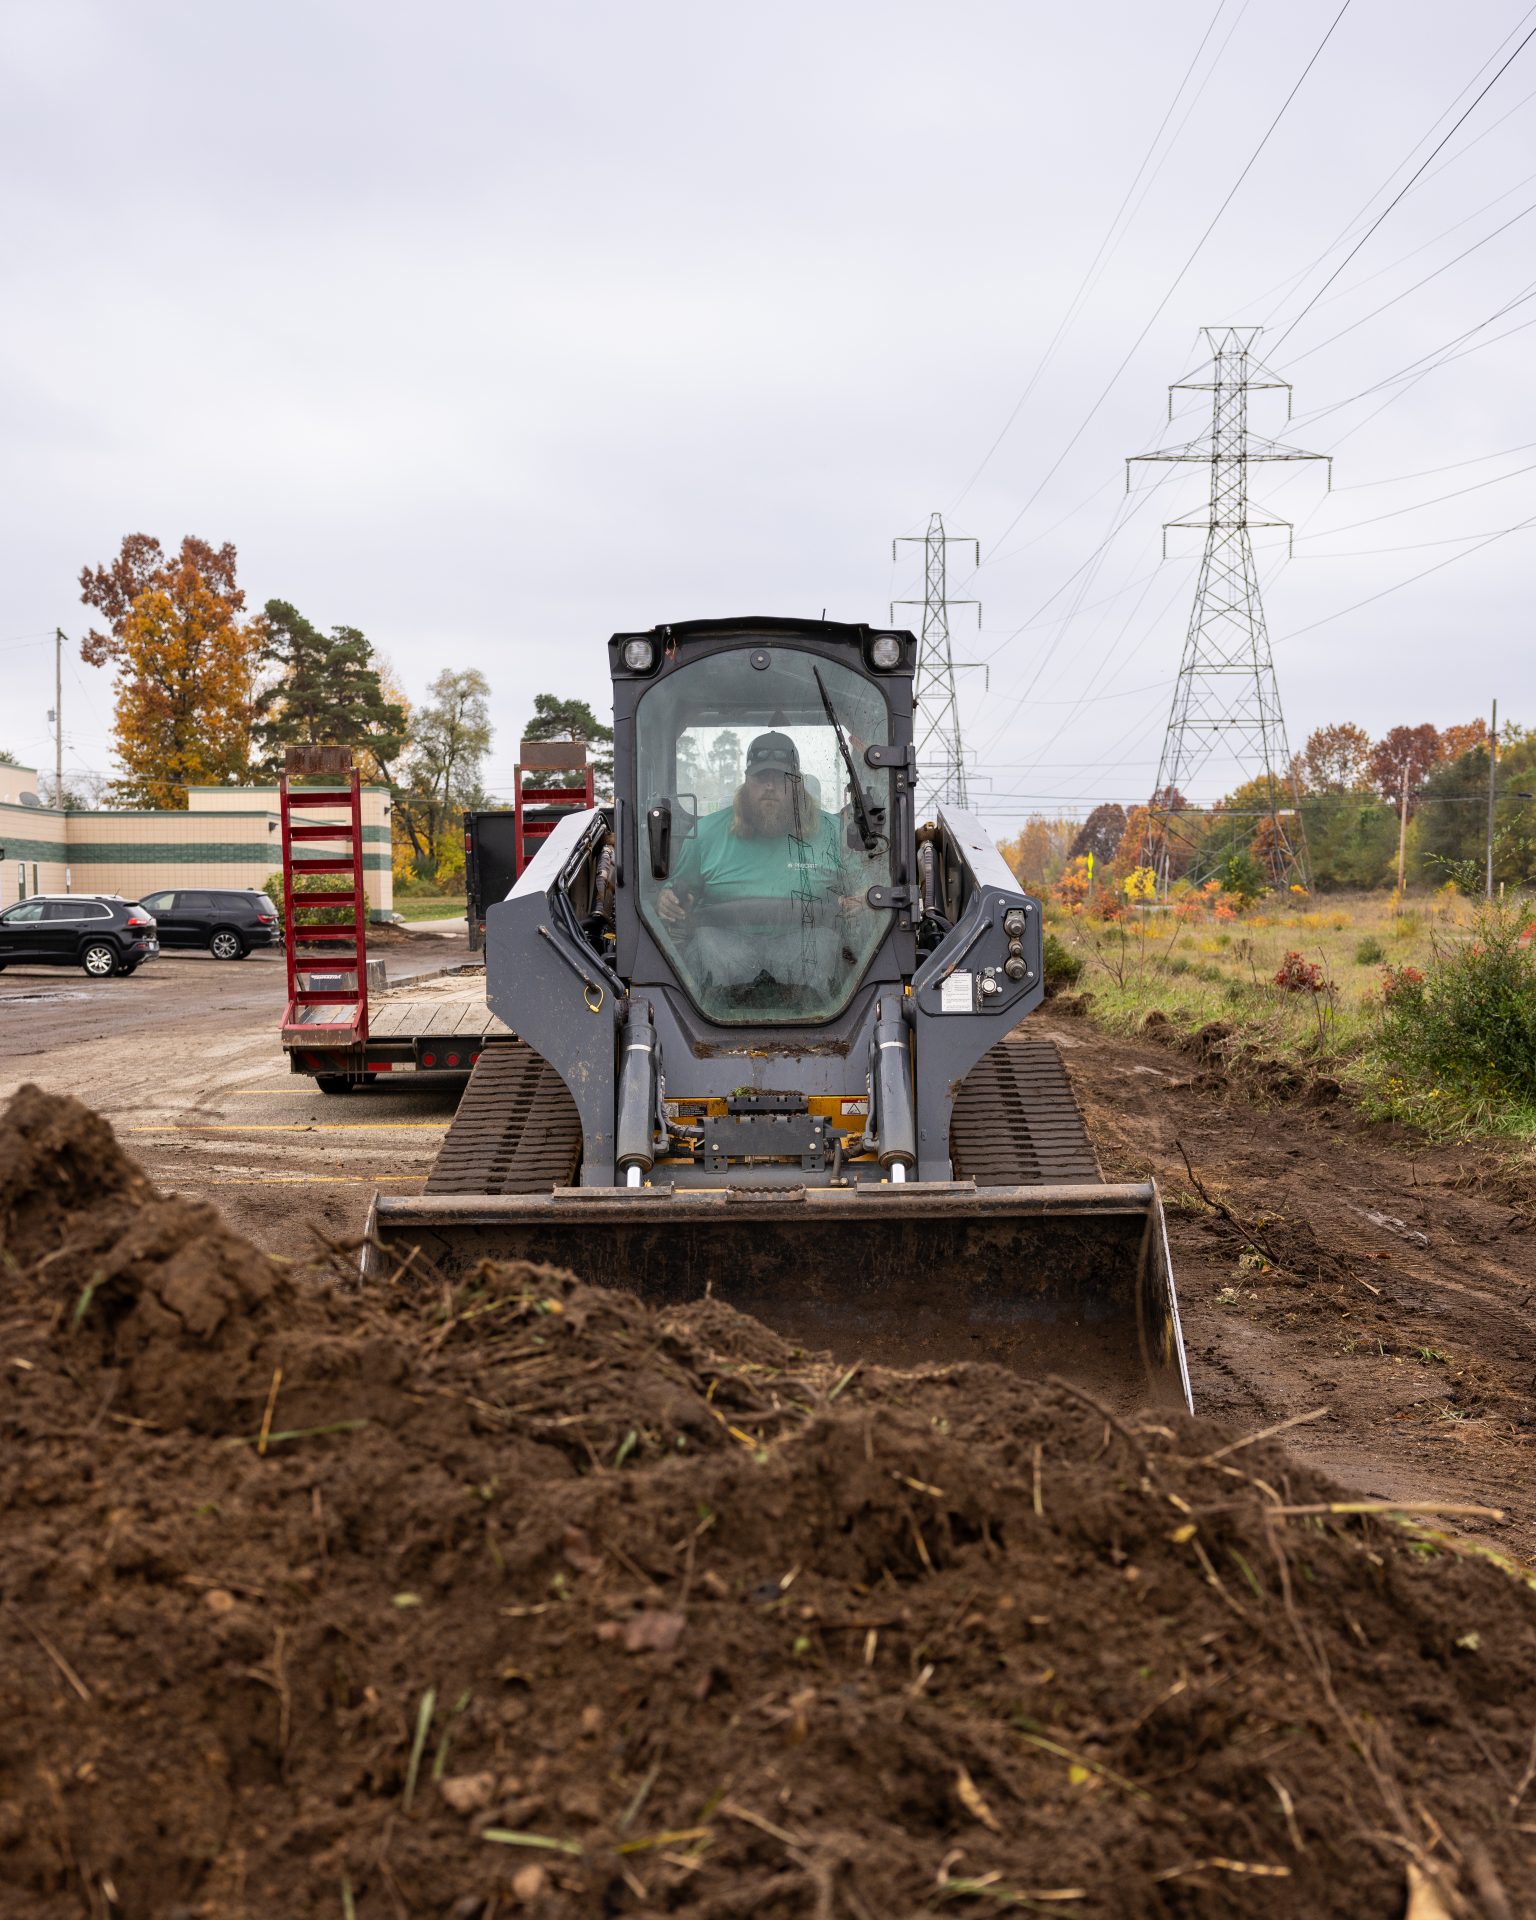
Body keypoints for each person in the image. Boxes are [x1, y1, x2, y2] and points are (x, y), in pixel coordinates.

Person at [656, 731, 862, 1002]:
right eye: (761, 777)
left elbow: (865, 891)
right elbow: (677, 892)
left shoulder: (834, 834)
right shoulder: (706, 835)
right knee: (705, 944)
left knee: (826, 946)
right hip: (723, 954)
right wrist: (667, 900)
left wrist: (861, 901)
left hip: (808, 951)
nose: (770, 786)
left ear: (797, 784)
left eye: (780, 778)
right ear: (746, 781)